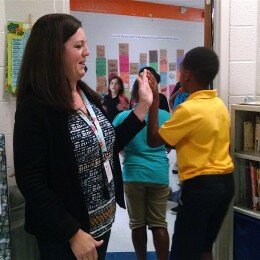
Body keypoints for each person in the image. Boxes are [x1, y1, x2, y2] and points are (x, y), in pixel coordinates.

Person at [13, 13, 153, 260]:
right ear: (53, 53)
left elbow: (107, 144)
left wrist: (142, 107)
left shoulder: (85, 94)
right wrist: (72, 232)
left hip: (102, 223)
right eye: (78, 46)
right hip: (68, 234)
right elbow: (31, 181)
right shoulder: (36, 107)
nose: (87, 52)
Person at [147, 47, 234, 260]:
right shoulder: (219, 105)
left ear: (187, 74)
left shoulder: (188, 109)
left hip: (200, 188)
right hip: (225, 184)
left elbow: (154, 140)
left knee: (183, 253)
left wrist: (154, 102)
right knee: (205, 248)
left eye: (180, 69)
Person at [113, 81, 171, 260]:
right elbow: (169, 145)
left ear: (135, 96)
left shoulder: (123, 117)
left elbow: (116, 146)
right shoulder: (166, 116)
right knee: (159, 223)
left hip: (133, 175)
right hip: (159, 175)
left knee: (137, 224)